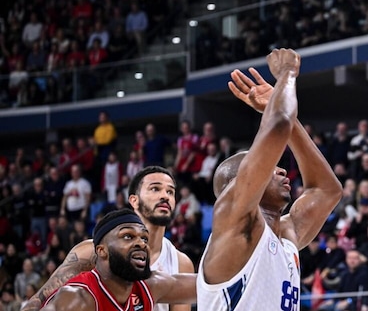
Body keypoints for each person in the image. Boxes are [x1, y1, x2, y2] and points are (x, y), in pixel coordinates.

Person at [198, 49, 342, 310]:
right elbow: (278, 125)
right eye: (269, 167)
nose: (282, 171)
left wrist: (291, 122)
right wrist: (287, 75)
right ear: (239, 183)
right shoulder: (233, 222)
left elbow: (326, 191)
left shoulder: (286, 232)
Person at [23, 166, 195, 311]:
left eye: (170, 191)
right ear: (134, 200)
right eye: (155, 189)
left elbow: (205, 284)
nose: (165, 196)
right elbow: (39, 300)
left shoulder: (177, 265)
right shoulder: (89, 256)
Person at [40, 209, 196, 310]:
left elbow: (206, 282)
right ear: (102, 251)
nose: (141, 243)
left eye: (144, 238)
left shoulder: (150, 285)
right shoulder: (77, 299)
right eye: (128, 236)